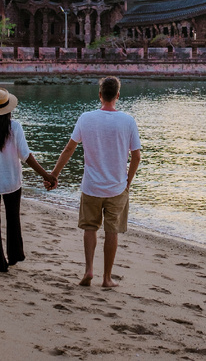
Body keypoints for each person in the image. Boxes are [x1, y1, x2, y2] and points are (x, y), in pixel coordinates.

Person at [51, 76, 142, 287]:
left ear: (100, 95)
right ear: (118, 95)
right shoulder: (128, 121)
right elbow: (136, 156)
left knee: (90, 228)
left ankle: (89, 270)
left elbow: (69, 149)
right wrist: (127, 181)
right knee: (112, 231)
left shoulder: (86, 118)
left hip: (91, 186)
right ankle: (107, 278)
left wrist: (54, 174)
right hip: (117, 188)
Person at [0, 87, 56, 272]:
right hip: (11, 182)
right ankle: (14, 255)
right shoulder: (14, 127)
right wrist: (46, 175)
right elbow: (26, 156)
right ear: (8, 108)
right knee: (13, 218)